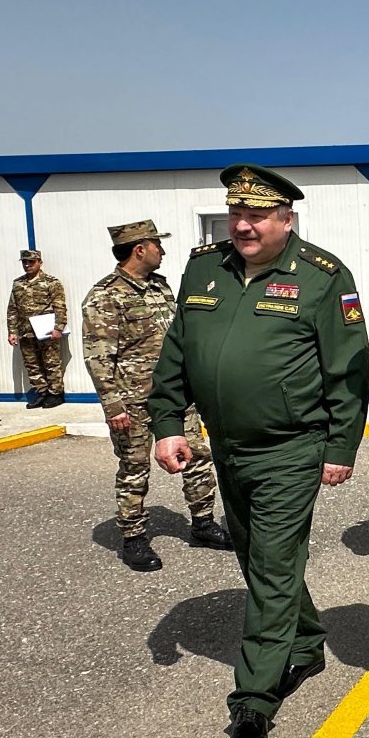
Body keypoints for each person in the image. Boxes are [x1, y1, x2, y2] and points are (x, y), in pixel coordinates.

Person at [150, 164, 369, 738]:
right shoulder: (204, 269)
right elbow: (178, 352)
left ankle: (254, 700)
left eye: (258, 215)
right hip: (227, 447)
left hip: (290, 449)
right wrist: (168, 422)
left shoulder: (322, 278)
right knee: (253, 551)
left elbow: (348, 371)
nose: (243, 225)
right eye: (236, 214)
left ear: (286, 220)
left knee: (271, 561)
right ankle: (305, 641)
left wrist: (339, 448)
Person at [82, 220, 229, 572]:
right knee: (134, 468)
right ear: (139, 249)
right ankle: (133, 537)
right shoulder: (106, 295)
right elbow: (98, 356)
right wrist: (113, 405)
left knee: (196, 455)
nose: (162, 251)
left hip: (177, 394)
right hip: (132, 401)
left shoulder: (160, 287)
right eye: (156, 245)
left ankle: (203, 523)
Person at [7, 249, 66, 407]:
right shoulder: (18, 283)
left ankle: (56, 394)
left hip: (46, 331)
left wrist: (58, 328)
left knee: (51, 362)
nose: (27, 265)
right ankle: (41, 392)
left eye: (31, 262)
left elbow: (59, 307)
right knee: (32, 364)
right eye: (24, 262)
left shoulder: (51, 282)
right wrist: (12, 331)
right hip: (25, 332)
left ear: (40, 262)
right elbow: (13, 309)